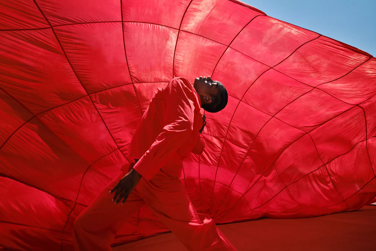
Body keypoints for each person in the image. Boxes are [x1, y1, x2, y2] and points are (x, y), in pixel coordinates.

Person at [73, 76, 237, 250]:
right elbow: (197, 146)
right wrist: (197, 130)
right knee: (87, 226)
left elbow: (182, 127)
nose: (208, 78)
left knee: (197, 233)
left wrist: (138, 173)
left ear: (208, 98)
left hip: (152, 177)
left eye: (212, 84)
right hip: (139, 173)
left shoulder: (183, 86)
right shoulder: (194, 113)